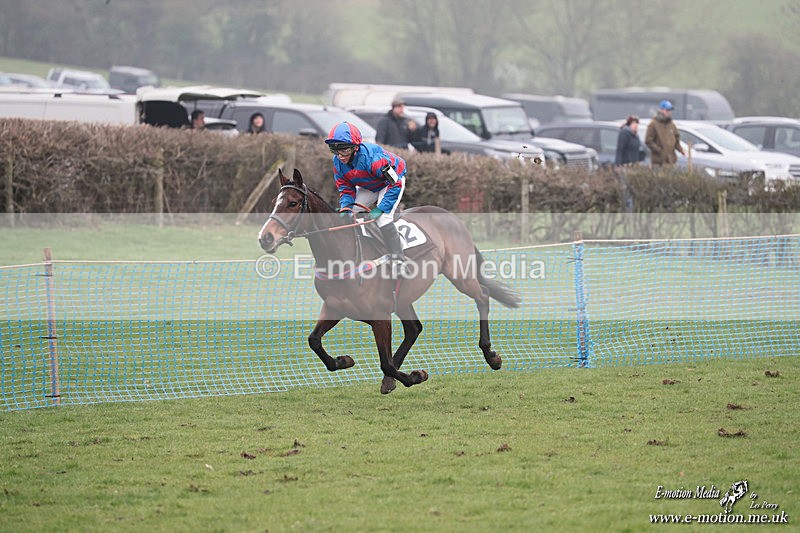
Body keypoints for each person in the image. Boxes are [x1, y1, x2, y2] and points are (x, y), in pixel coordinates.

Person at [325, 121, 409, 277]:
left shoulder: (373, 160)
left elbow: (395, 183)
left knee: (383, 219)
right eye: (334, 150)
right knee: (349, 214)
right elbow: (346, 188)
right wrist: (346, 207)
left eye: (344, 150)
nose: (340, 156)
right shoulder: (337, 162)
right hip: (370, 184)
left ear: (355, 148)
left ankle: (399, 261)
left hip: (391, 182)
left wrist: (381, 208)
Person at [645, 100, 685, 166]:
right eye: (667, 110)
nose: (669, 112)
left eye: (670, 110)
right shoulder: (653, 124)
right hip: (658, 162)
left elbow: (676, 139)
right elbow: (648, 141)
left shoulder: (672, 124)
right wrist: (659, 150)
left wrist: (681, 150)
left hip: (671, 161)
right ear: (661, 110)